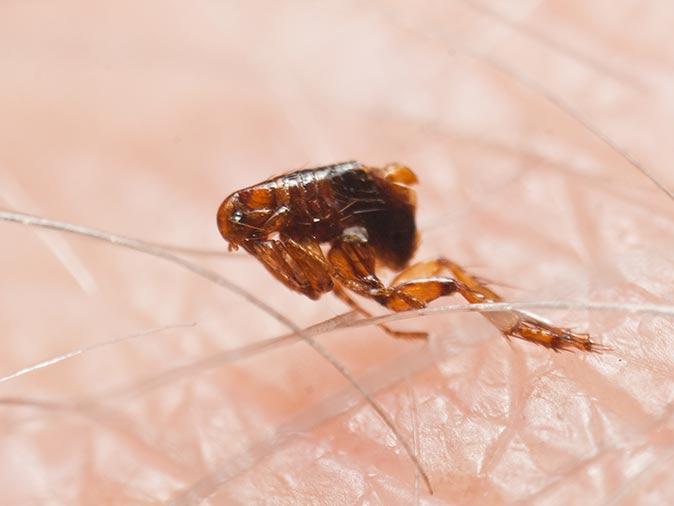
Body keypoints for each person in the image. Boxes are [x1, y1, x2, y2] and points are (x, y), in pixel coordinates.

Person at [1, 1, 672, 504]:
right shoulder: (265, 219)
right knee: (400, 287)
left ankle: (545, 334)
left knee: (414, 287)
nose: (254, 249)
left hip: (372, 229)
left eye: (250, 242)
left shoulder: (267, 215)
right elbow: (313, 280)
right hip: (361, 232)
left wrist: (348, 276)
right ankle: (496, 305)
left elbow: (325, 268)